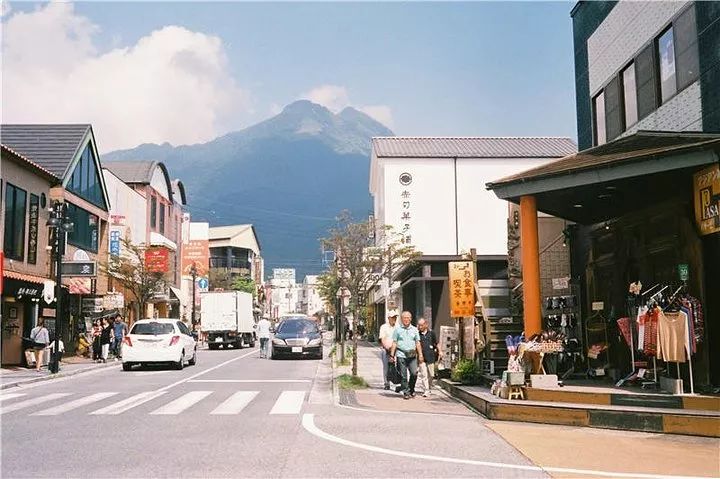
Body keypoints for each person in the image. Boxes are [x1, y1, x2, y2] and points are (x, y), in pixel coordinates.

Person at [390, 311, 424, 399]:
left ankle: (411, 389)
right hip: (401, 354)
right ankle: (406, 392)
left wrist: (420, 355)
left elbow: (418, 343)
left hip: (412, 355)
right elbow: (394, 343)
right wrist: (392, 355)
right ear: (401, 319)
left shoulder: (415, 330)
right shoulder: (397, 330)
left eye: (408, 318)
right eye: (404, 318)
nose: (406, 319)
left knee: (414, 373)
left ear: (411, 319)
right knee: (403, 375)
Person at [417, 318, 441, 397]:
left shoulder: (432, 333)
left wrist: (440, 351)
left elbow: (436, 343)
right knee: (424, 374)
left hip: (431, 357)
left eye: (421, 325)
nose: (420, 327)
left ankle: (429, 388)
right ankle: (426, 390)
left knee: (431, 375)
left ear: (426, 325)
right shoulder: (417, 334)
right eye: (419, 325)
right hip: (422, 358)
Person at [378, 310, 399, 390]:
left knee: (397, 366)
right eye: (393, 317)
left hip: (396, 350)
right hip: (386, 350)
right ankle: (386, 383)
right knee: (386, 367)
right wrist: (388, 348)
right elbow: (382, 339)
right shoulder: (384, 327)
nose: (394, 319)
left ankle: (397, 381)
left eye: (395, 317)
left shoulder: (398, 327)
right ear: (389, 318)